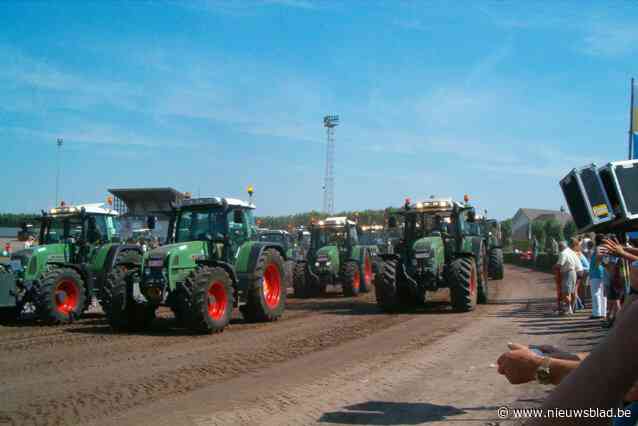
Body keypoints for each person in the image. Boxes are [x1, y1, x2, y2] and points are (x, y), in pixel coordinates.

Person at [554, 240, 582, 315]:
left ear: (561, 246)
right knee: (572, 292)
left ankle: (568, 309)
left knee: (566, 292)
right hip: (576, 272)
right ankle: (571, 309)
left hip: (569, 272)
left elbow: (559, 265)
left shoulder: (563, 253)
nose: (558, 248)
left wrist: (554, 267)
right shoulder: (570, 251)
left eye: (559, 247)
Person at [589, 235, 608, 320]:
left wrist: (596, 265)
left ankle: (596, 313)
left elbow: (598, 259)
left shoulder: (598, 248)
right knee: (603, 294)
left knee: (596, 293)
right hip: (603, 272)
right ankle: (603, 312)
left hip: (595, 273)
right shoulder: (605, 248)